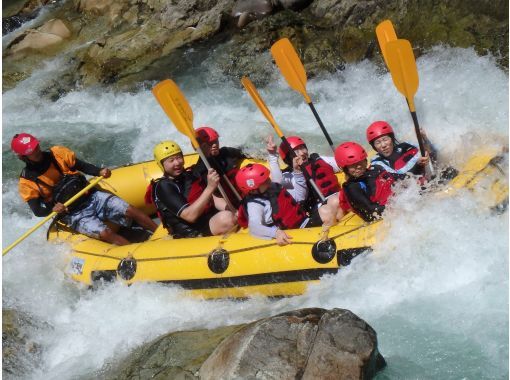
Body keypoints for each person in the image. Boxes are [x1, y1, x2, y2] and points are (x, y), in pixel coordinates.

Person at [11, 133, 157, 245]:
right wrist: (52, 208)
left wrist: (98, 171)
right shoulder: (26, 182)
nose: (36, 150)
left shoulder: (57, 153)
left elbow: (81, 166)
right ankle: (136, 254)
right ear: (23, 156)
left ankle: (159, 234)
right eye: (31, 150)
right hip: (73, 213)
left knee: (129, 209)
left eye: (36, 146)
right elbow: (38, 210)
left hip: (91, 196)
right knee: (105, 233)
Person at [146, 140, 236, 238]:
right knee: (226, 218)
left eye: (179, 157)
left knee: (234, 212)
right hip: (190, 231)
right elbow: (190, 216)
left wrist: (232, 209)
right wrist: (210, 188)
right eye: (171, 160)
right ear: (161, 164)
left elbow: (213, 199)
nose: (177, 163)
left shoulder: (188, 175)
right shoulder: (163, 187)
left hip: (205, 220)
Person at [235, 163, 324, 246]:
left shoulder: (271, 188)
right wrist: (275, 233)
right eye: (264, 181)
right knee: (328, 213)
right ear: (253, 190)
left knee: (329, 210)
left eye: (267, 178)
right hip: (292, 233)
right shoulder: (255, 205)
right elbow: (255, 227)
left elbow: (297, 195)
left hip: (302, 223)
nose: (269, 180)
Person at [266, 135, 342, 225]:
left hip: (337, 199)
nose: (302, 153)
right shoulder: (289, 176)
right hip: (321, 207)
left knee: (339, 198)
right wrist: (273, 156)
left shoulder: (320, 160)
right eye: (296, 151)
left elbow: (342, 163)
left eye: (303, 148)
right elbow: (277, 183)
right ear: (288, 158)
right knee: (336, 201)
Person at [335, 141, 403, 222]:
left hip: (392, 203)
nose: (359, 166)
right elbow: (371, 210)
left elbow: (399, 179)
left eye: (361, 162)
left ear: (365, 160)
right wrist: (398, 208)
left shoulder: (375, 170)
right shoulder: (352, 187)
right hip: (378, 218)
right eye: (353, 165)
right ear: (344, 168)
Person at [192, 125, 246, 208]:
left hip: (244, 196)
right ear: (200, 147)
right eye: (209, 143)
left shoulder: (227, 152)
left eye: (216, 141)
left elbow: (246, 151)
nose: (214, 145)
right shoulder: (199, 170)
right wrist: (207, 155)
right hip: (228, 204)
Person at [366, 120, 437, 176]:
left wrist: (424, 138)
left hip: (429, 179)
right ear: (374, 146)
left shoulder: (406, 146)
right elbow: (398, 178)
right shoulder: (377, 164)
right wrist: (417, 164)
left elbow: (433, 152)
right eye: (378, 143)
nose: (383, 145)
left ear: (392, 138)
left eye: (385, 140)